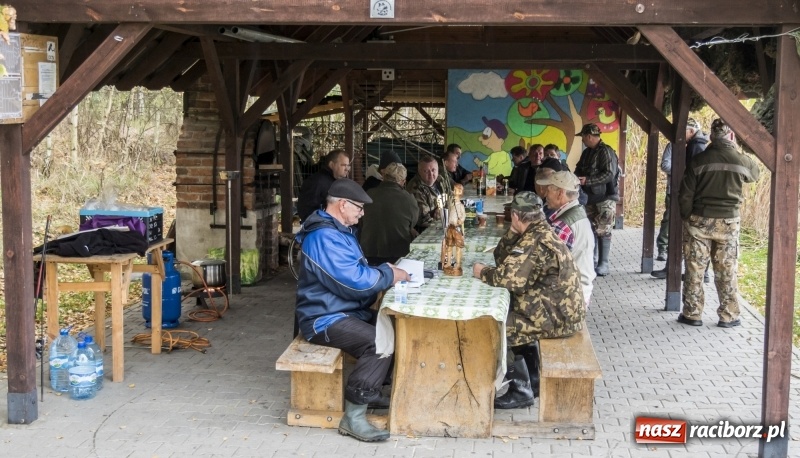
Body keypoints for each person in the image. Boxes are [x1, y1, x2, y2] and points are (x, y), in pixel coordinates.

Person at [295, 178, 411, 442]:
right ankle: (354, 417)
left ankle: (374, 390)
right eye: (359, 207)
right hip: (324, 318)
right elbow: (355, 284)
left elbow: (356, 274)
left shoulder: (338, 231)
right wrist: (388, 274)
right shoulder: (323, 237)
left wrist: (384, 272)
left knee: (395, 325)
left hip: (343, 311)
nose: (362, 212)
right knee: (379, 342)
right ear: (343, 205)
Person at [472, 192, 585, 409]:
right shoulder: (537, 232)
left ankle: (521, 389)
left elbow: (509, 279)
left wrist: (481, 272)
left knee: (497, 327)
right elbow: (503, 258)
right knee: (512, 313)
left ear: (515, 215)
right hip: (560, 311)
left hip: (558, 318)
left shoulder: (535, 241)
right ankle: (532, 379)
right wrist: (513, 232)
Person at [676, 119, 759, 328]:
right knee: (726, 269)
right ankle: (729, 315)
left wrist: (687, 216)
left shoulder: (698, 160)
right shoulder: (741, 160)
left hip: (699, 223)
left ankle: (692, 314)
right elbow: (755, 175)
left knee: (695, 268)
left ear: (711, 136)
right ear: (730, 135)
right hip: (729, 223)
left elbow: (685, 194)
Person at [651, 118, 710, 279]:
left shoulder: (697, 146)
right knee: (672, 226)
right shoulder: (682, 145)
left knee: (686, 234)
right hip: (680, 194)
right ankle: (673, 265)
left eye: (682, 131)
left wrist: (681, 172)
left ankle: (698, 272)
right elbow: (666, 164)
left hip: (688, 197)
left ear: (691, 131)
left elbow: (694, 173)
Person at [537, 170, 596, 307]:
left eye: (548, 190)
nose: (545, 194)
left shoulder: (563, 225)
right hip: (580, 290)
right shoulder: (578, 211)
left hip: (568, 298)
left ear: (560, 193)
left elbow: (545, 266)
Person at [573, 123, 619, 277]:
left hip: (605, 198)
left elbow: (609, 174)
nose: (583, 140)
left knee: (604, 229)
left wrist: (588, 180)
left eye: (583, 137)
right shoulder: (587, 153)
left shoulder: (606, 151)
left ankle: (603, 263)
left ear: (589, 136)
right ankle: (592, 260)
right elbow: (578, 168)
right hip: (589, 198)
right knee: (591, 228)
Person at [360, 163, 419, 266]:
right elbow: (412, 223)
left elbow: (360, 221)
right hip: (397, 254)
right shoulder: (409, 199)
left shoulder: (368, 194)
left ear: (383, 177)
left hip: (369, 252)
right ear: (403, 182)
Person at [296, 149, 351, 222]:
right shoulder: (317, 181)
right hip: (320, 227)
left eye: (348, 166)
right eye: (343, 165)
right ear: (332, 165)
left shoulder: (335, 180)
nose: (347, 169)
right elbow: (306, 210)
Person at [406, 155, 453, 234]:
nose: (431, 174)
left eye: (433, 170)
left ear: (438, 170)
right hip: (425, 231)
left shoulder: (440, 179)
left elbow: (450, 196)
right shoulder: (415, 188)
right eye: (426, 171)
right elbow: (423, 219)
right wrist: (444, 224)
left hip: (443, 222)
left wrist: (440, 208)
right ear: (419, 172)